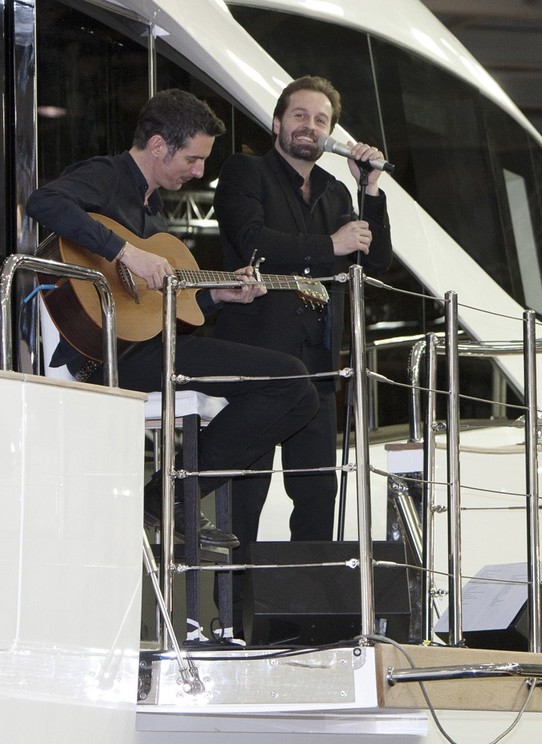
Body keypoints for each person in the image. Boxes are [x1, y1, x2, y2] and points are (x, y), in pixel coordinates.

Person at [26, 89, 321, 550]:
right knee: (289, 382)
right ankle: (168, 498)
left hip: (143, 346)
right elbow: (43, 202)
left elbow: (156, 312)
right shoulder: (106, 177)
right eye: (193, 158)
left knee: (297, 390)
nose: (200, 171)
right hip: (102, 355)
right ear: (159, 145)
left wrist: (219, 296)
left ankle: (168, 497)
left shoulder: (151, 208)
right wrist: (126, 252)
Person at [212, 75, 393, 579]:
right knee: (246, 490)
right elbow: (251, 241)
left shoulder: (337, 191)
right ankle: (230, 613)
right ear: (277, 122)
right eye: (299, 116)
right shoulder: (245, 172)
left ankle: (306, 610)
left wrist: (370, 189)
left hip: (315, 363)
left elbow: (373, 261)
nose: (309, 127)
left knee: (317, 490)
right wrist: (326, 248)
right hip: (258, 356)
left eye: (320, 120)